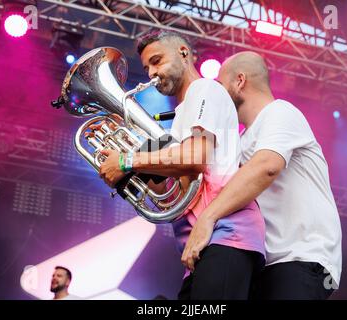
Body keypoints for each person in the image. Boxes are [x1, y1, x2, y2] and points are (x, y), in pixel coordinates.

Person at [98, 31, 266, 300]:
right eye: (147, 67)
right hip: (202, 242)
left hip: (227, 234)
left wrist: (125, 161)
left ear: (184, 54)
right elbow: (172, 192)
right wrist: (129, 171)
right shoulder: (180, 116)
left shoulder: (205, 89)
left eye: (157, 60)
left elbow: (193, 159)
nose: (152, 73)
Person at [181, 51, 342, 300]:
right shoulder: (242, 139)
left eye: (221, 86)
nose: (217, 97)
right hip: (263, 263)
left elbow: (267, 166)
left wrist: (208, 218)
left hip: (300, 258)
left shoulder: (280, 112)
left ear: (240, 81)